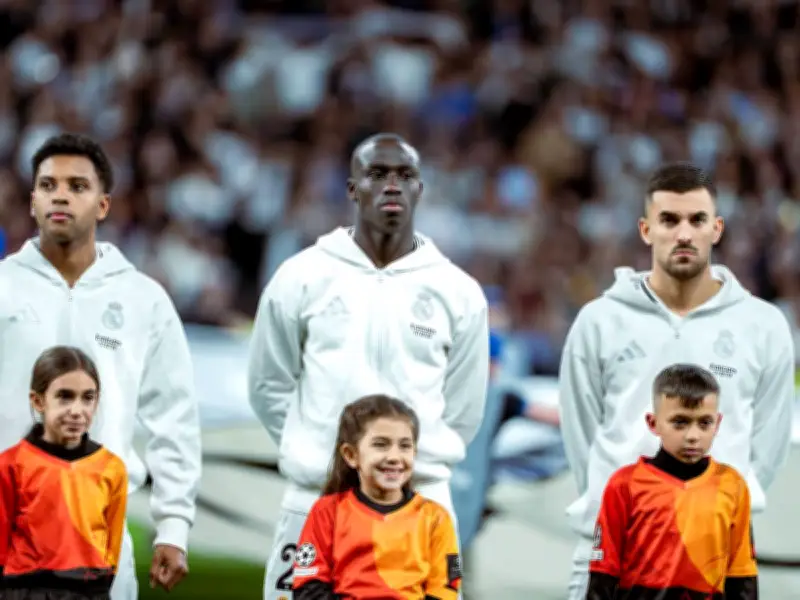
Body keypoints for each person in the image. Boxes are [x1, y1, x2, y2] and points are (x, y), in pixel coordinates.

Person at [248, 132, 489, 599]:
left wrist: (405, 467)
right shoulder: (302, 276)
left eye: (405, 175)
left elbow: (463, 409)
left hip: (421, 505)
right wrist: (323, 452)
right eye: (377, 174)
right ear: (352, 189)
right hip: (315, 498)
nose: (392, 185)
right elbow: (268, 385)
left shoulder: (458, 292)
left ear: (420, 189)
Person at [559, 162, 794, 599]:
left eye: (697, 220)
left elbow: (767, 448)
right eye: (669, 220)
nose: (684, 234)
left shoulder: (763, 326)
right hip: (613, 558)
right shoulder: (600, 322)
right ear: (646, 230)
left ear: (716, 229)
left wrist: (710, 513)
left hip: (716, 561)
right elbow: (581, 440)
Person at [0, 133, 202, 599]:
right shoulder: (4, 288)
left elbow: (174, 416)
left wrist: (174, 524)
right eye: (48, 185)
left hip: (101, 534)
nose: (61, 196)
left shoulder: (142, 299)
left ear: (104, 205)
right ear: (32, 202)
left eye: (77, 186)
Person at [587, 363, 757, 599]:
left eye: (704, 423)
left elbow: (742, 574)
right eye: (680, 422)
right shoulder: (624, 485)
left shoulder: (732, 485)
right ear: (653, 423)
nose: (692, 436)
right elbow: (603, 573)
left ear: (717, 423)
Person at [292, 395, 462, 600]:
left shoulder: (436, 519)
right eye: (381, 444)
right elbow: (307, 588)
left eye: (405, 446)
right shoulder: (327, 512)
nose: (394, 457)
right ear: (351, 455)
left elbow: (446, 589)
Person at [0, 346, 128, 600]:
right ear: (38, 401)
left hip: (90, 591)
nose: (77, 410)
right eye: (64, 397)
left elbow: (112, 548)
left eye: (87, 398)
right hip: (24, 591)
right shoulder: (11, 464)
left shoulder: (111, 468)